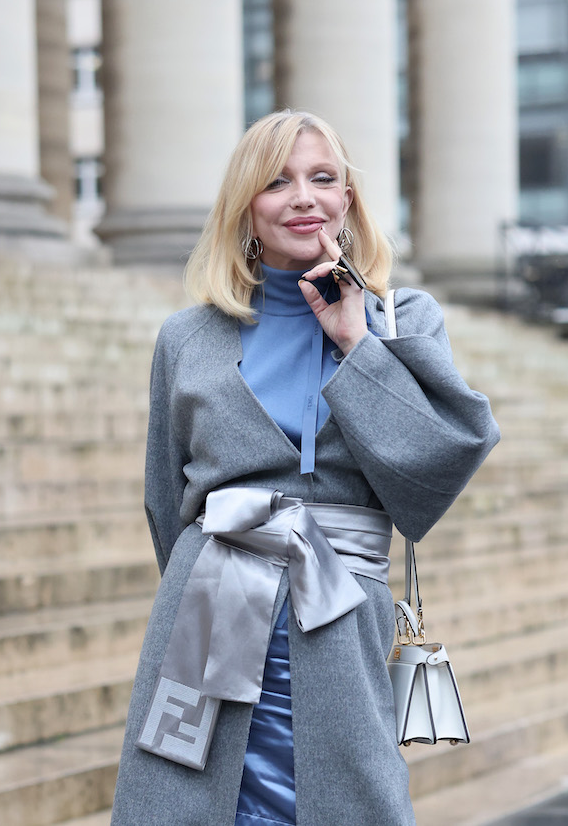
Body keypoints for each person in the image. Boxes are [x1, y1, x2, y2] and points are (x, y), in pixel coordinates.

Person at [110, 110, 499, 826]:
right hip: (211, 607)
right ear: (245, 208)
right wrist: (217, 577)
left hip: (339, 615)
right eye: (276, 182)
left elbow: (437, 465)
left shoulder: (402, 320)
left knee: (346, 799)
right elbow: (166, 502)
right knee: (196, 801)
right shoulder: (188, 336)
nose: (303, 198)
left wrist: (354, 340)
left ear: (347, 200)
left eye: (322, 178)